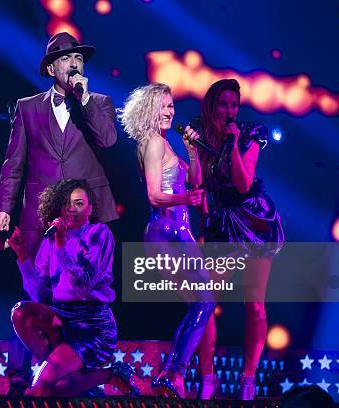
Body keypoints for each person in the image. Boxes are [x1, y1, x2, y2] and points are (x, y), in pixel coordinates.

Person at [0, 31, 119, 394]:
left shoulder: (100, 103)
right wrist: (4, 209)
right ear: (51, 67)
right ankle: (30, 376)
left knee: (85, 290)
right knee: (36, 292)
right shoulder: (28, 107)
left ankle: (85, 370)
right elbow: (13, 165)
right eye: (66, 59)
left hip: (84, 220)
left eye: (79, 58)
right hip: (41, 218)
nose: (74, 64)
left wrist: (87, 99)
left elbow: (108, 140)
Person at [119, 83, 216, 398]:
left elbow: (197, 181)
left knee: (198, 305)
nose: (171, 111)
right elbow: (154, 195)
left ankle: (171, 374)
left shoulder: (166, 143)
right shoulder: (153, 144)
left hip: (179, 230)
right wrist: (186, 198)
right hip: (167, 231)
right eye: (164, 106)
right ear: (150, 109)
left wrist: (191, 151)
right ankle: (174, 373)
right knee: (204, 302)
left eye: (172, 106)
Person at [195, 78, 285, 400]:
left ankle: (248, 381)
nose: (230, 111)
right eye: (223, 104)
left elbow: (244, 183)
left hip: (253, 220)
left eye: (234, 105)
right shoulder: (200, 136)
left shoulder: (249, 134)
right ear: (211, 106)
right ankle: (208, 379)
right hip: (221, 224)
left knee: (255, 305)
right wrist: (203, 227)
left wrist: (232, 143)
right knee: (204, 303)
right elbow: (201, 185)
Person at [8, 179, 138, 397]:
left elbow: (83, 284)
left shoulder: (99, 234)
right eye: (67, 204)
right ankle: (82, 374)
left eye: (79, 203)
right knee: (22, 312)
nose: (72, 208)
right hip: (61, 319)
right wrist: (21, 255)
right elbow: (38, 294)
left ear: (90, 209)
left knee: (40, 389)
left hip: (91, 327)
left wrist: (61, 246)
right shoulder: (50, 240)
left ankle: (107, 374)